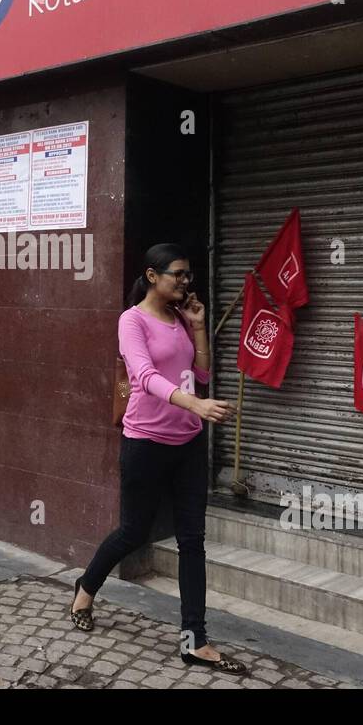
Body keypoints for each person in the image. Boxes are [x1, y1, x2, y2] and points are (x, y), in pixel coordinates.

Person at [69, 244, 248, 676]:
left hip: (187, 445)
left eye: (188, 276)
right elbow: (144, 378)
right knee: (133, 531)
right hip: (145, 442)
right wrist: (197, 406)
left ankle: (195, 640)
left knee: (192, 541)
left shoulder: (181, 319)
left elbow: (200, 375)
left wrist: (200, 329)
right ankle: (86, 587)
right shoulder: (131, 320)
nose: (186, 283)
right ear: (153, 276)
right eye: (178, 275)